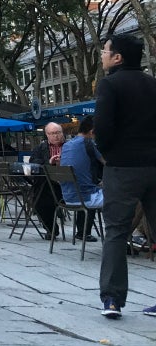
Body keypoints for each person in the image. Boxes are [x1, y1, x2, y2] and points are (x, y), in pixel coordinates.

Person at [93, 34, 156, 319]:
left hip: (122, 166)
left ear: (117, 57)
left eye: (105, 51)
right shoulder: (153, 85)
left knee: (117, 231)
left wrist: (107, 153)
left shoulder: (109, 84)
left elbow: (102, 127)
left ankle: (113, 299)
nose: (102, 55)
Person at [59, 115, 104, 242]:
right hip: (86, 198)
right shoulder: (89, 143)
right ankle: (124, 238)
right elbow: (109, 163)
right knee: (127, 197)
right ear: (92, 132)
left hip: (68, 197)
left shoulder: (67, 145)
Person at [29, 122, 66, 239]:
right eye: (52, 133)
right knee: (40, 201)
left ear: (62, 133)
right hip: (48, 184)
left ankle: (83, 232)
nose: (56, 136)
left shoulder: (70, 146)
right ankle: (51, 229)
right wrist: (49, 163)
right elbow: (33, 162)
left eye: (58, 133)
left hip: (69, 184)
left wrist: (63, 162)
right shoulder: (40, 148)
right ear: (47, 135)